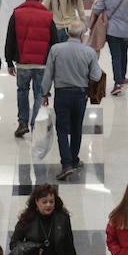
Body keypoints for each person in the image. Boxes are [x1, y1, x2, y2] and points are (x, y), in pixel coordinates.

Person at [42, 21, 103, 180]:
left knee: (62, 130)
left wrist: (44, 93)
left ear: (68, 33)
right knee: (76, 128)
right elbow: (96, 76)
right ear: (82, 35)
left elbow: (48, 74)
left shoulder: (56, 49)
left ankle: (66, 164)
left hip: (61, 94)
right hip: (80, 95)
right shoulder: (89, 52)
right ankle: (74, 160)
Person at [5, 0, 54, 138]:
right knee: (39, 93)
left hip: (23, 62)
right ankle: (35, 124)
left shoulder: (17, 14)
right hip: (42, 63)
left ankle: (23, 122)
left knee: (22, 91)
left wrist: (9, 62)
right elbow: (54, 41)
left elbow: (10, 39)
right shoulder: (47, 16)